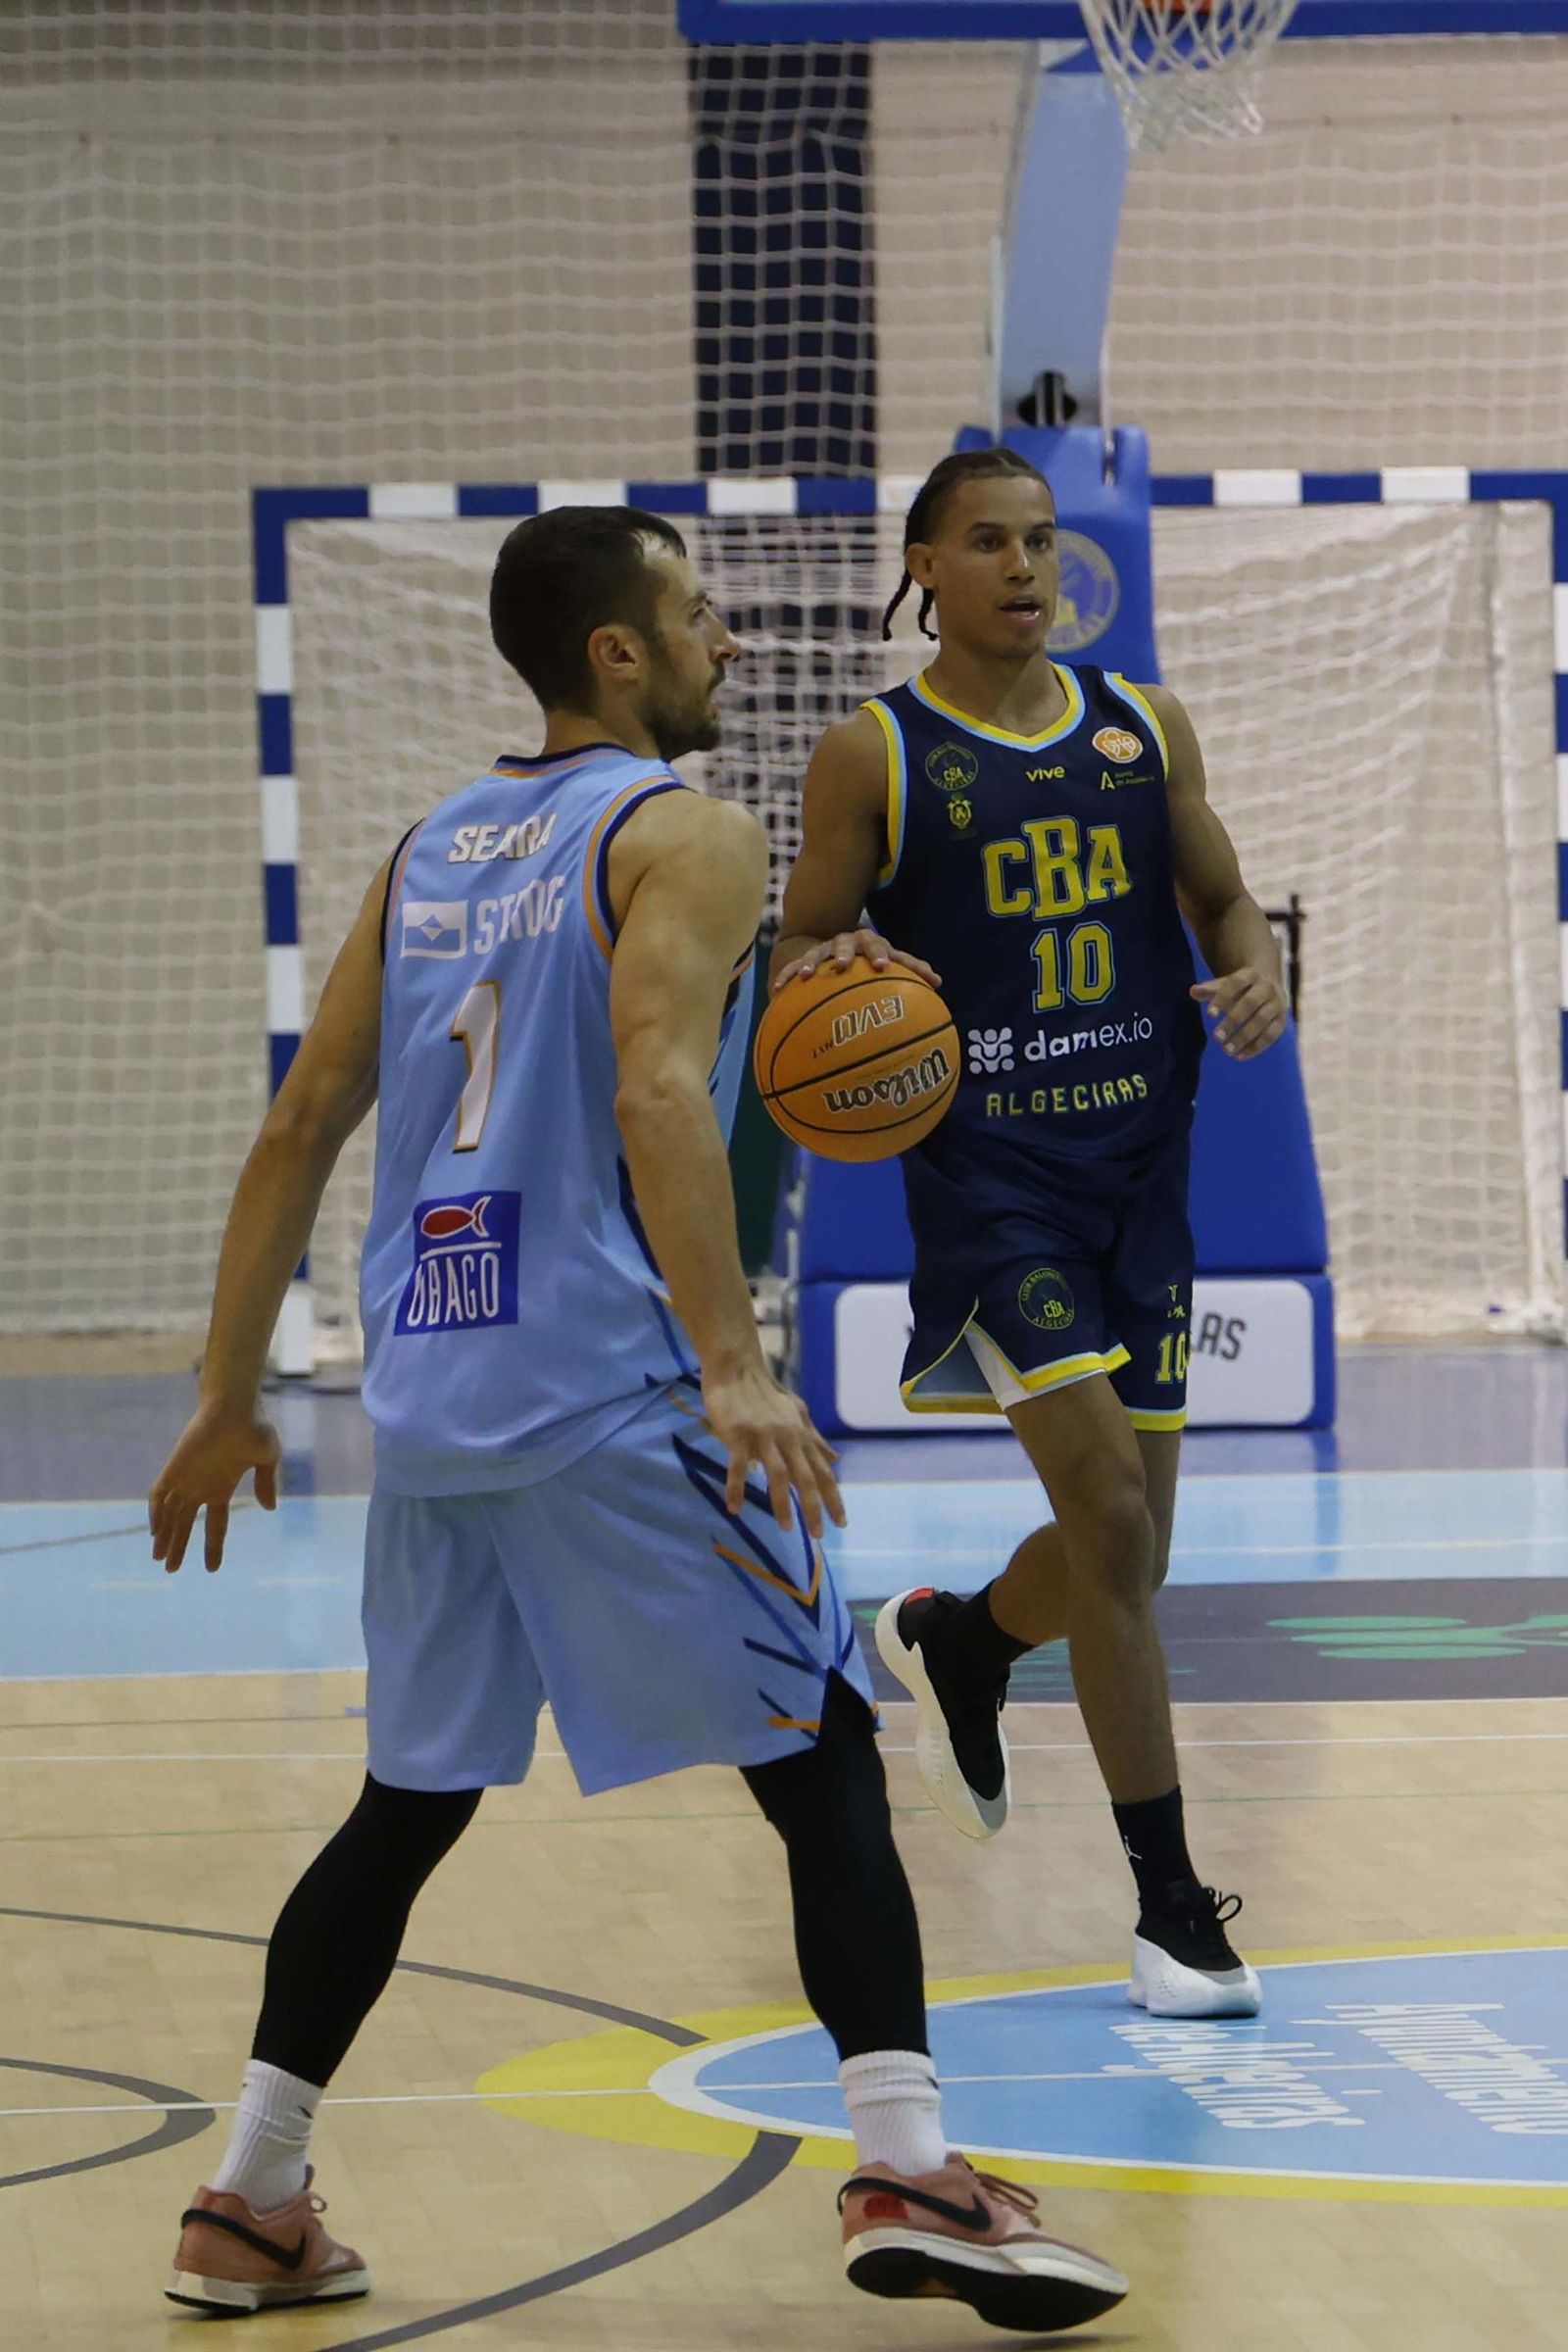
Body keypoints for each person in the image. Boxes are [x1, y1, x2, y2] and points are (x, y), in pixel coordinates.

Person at [147, 504, 1127, 2331]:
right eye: (697, 617)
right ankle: (912, 2165)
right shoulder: (684, 828)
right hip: (613, 1386)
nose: (726, 646)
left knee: (407, 1804)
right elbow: (662, 1092)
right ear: (618, 651)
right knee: (828, 1741)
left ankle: (250, 2195)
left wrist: (225, 1397)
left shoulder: (424, 846)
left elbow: (301, 1126)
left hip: (434, 1400)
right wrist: (734, 1366)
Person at [771, 447, 1289, 2021]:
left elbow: (1225, 902)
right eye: (988, 541)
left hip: (1146, 1181)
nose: (1024, 566)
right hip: (995, 1188)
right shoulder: (875, 753)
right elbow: (803, 940)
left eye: (1042, 540)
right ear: (923, 565)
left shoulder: (1142, 726)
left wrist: (1255, 968)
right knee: (1118, 1531)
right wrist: (833, 967)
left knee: (1130, 1552)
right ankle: (1170, 1909)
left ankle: (969, 1640)